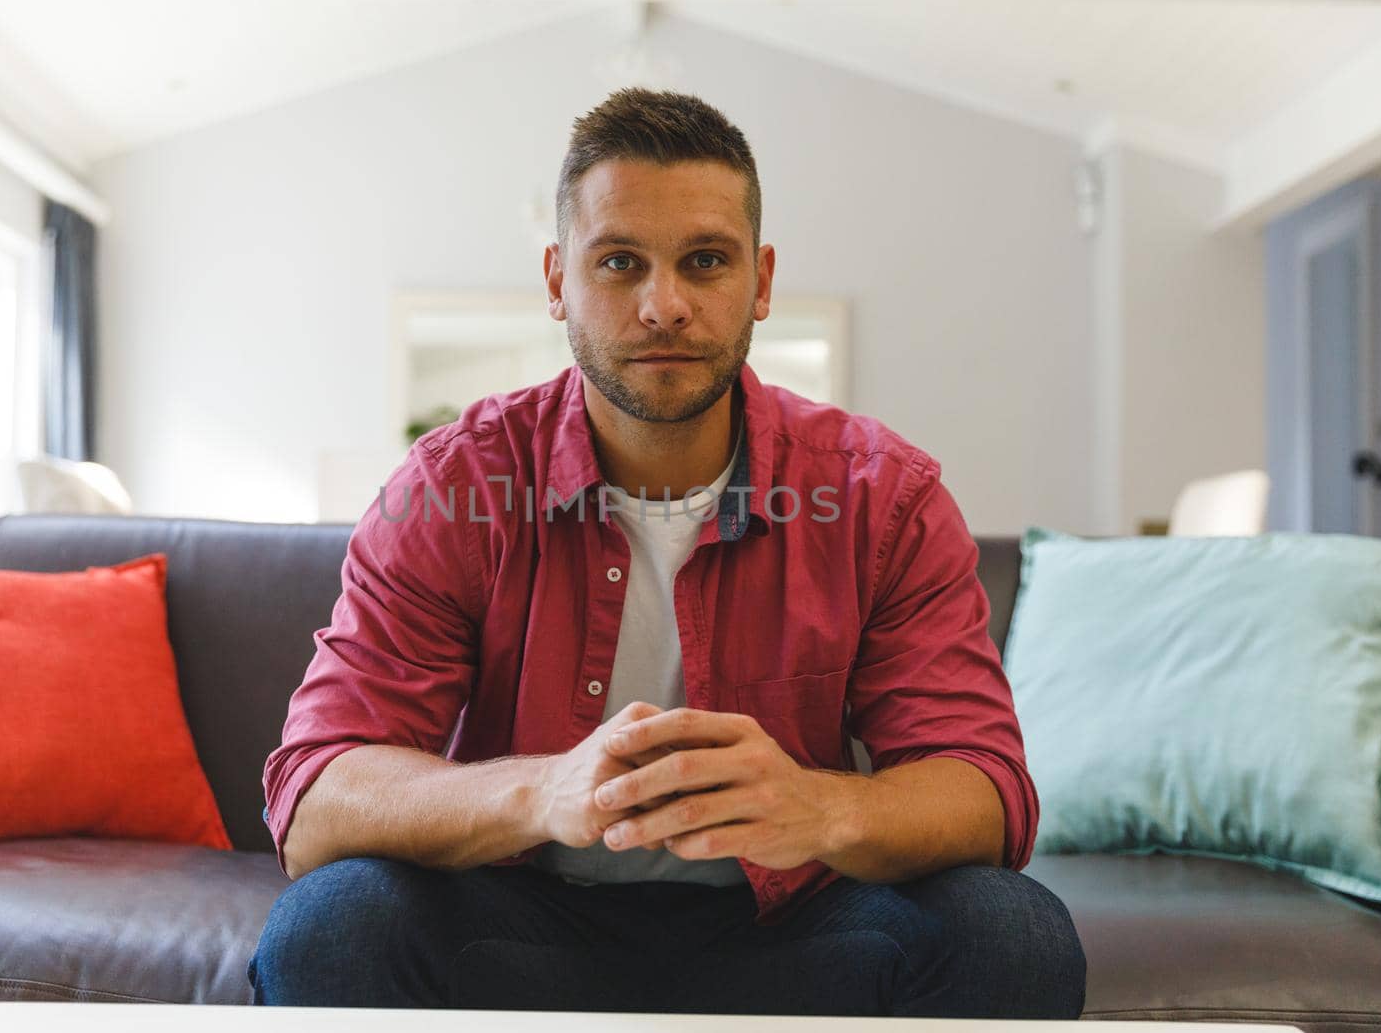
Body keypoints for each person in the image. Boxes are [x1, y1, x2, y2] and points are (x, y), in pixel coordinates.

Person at [249, 87, 1086, 1016]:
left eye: (705, 261)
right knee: (331, 923)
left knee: (1012, 930)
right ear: (558, 278)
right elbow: (317, 795)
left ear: (761, 281)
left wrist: (819, 808)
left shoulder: (884, 496)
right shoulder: (455, 487)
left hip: (796, 932)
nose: (664, 305)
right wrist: (539, 790)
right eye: (618, 262)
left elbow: (988, 788)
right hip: (523, 920)